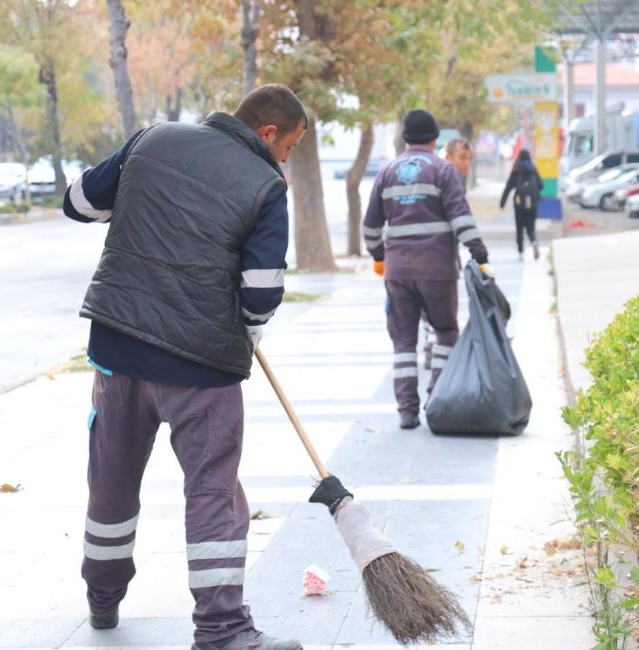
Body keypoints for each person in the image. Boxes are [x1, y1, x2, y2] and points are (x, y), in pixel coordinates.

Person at [63, 84, 308, 650]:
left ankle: (102, 599)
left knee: (112, 482)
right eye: (289, 147)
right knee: (212, 492)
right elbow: (262, 294)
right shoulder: (266, 185)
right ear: (267, 133)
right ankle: (222, 629)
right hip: (201, 366)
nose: (286, 160)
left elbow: (79, 202)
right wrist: (252, 322)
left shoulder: (153, 139)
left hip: (119, 350)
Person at [363, 109, 489, 429]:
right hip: (437, 270)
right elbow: (461, 219)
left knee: (404, 342)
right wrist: (479, 253)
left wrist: (380, 256)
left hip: (398, 271)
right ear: (435, 139)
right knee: (445, 331)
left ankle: (407, 410)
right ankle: (436, 397)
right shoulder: (442, 170)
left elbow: (370, 227)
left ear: (406, 138)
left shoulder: (387, 172)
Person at [422, 136, 475, 370]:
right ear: (449, 156)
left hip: (437, 258)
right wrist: (480, 254)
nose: (466, 163)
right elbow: (461, 220)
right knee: (440, 320)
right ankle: (432, 353)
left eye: (469, 158)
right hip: (433, 259)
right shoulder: (443, 177)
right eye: (462, 157)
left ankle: (429, 346)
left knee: (432, 314)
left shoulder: (449, 178)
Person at [500, 148, 544, 260]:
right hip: (532, 204)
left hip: (519, 204)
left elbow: (508, 187)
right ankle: (534, 242)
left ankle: (520, 251)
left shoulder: (516, 170)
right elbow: (541, 185)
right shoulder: (533, 169)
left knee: (519, 228)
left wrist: (502, 203)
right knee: (531, 228)